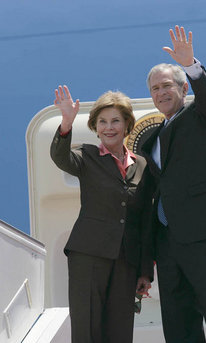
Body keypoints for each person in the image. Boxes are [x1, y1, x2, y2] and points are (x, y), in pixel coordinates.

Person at [140, 26, 206, 342]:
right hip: (168, 245)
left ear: (184, 88)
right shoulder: (152, 139)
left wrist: (191, 65)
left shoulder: (201, 116)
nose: (161, 93)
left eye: (167, 85)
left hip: (204, 235)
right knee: (178, 323)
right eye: (155, 89)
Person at [50, 85, 153, 343]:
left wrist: (144, 270)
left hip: (125, 261)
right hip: (89, 255)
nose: (109, 127)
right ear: (95, 126)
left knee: (119, 332)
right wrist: (66, 123)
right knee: (87, 330)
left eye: (115, 121)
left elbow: (144, 221)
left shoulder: (141, 164)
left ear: (127, 124)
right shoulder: (87, 155)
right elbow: (60, 157)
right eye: (103, 122)